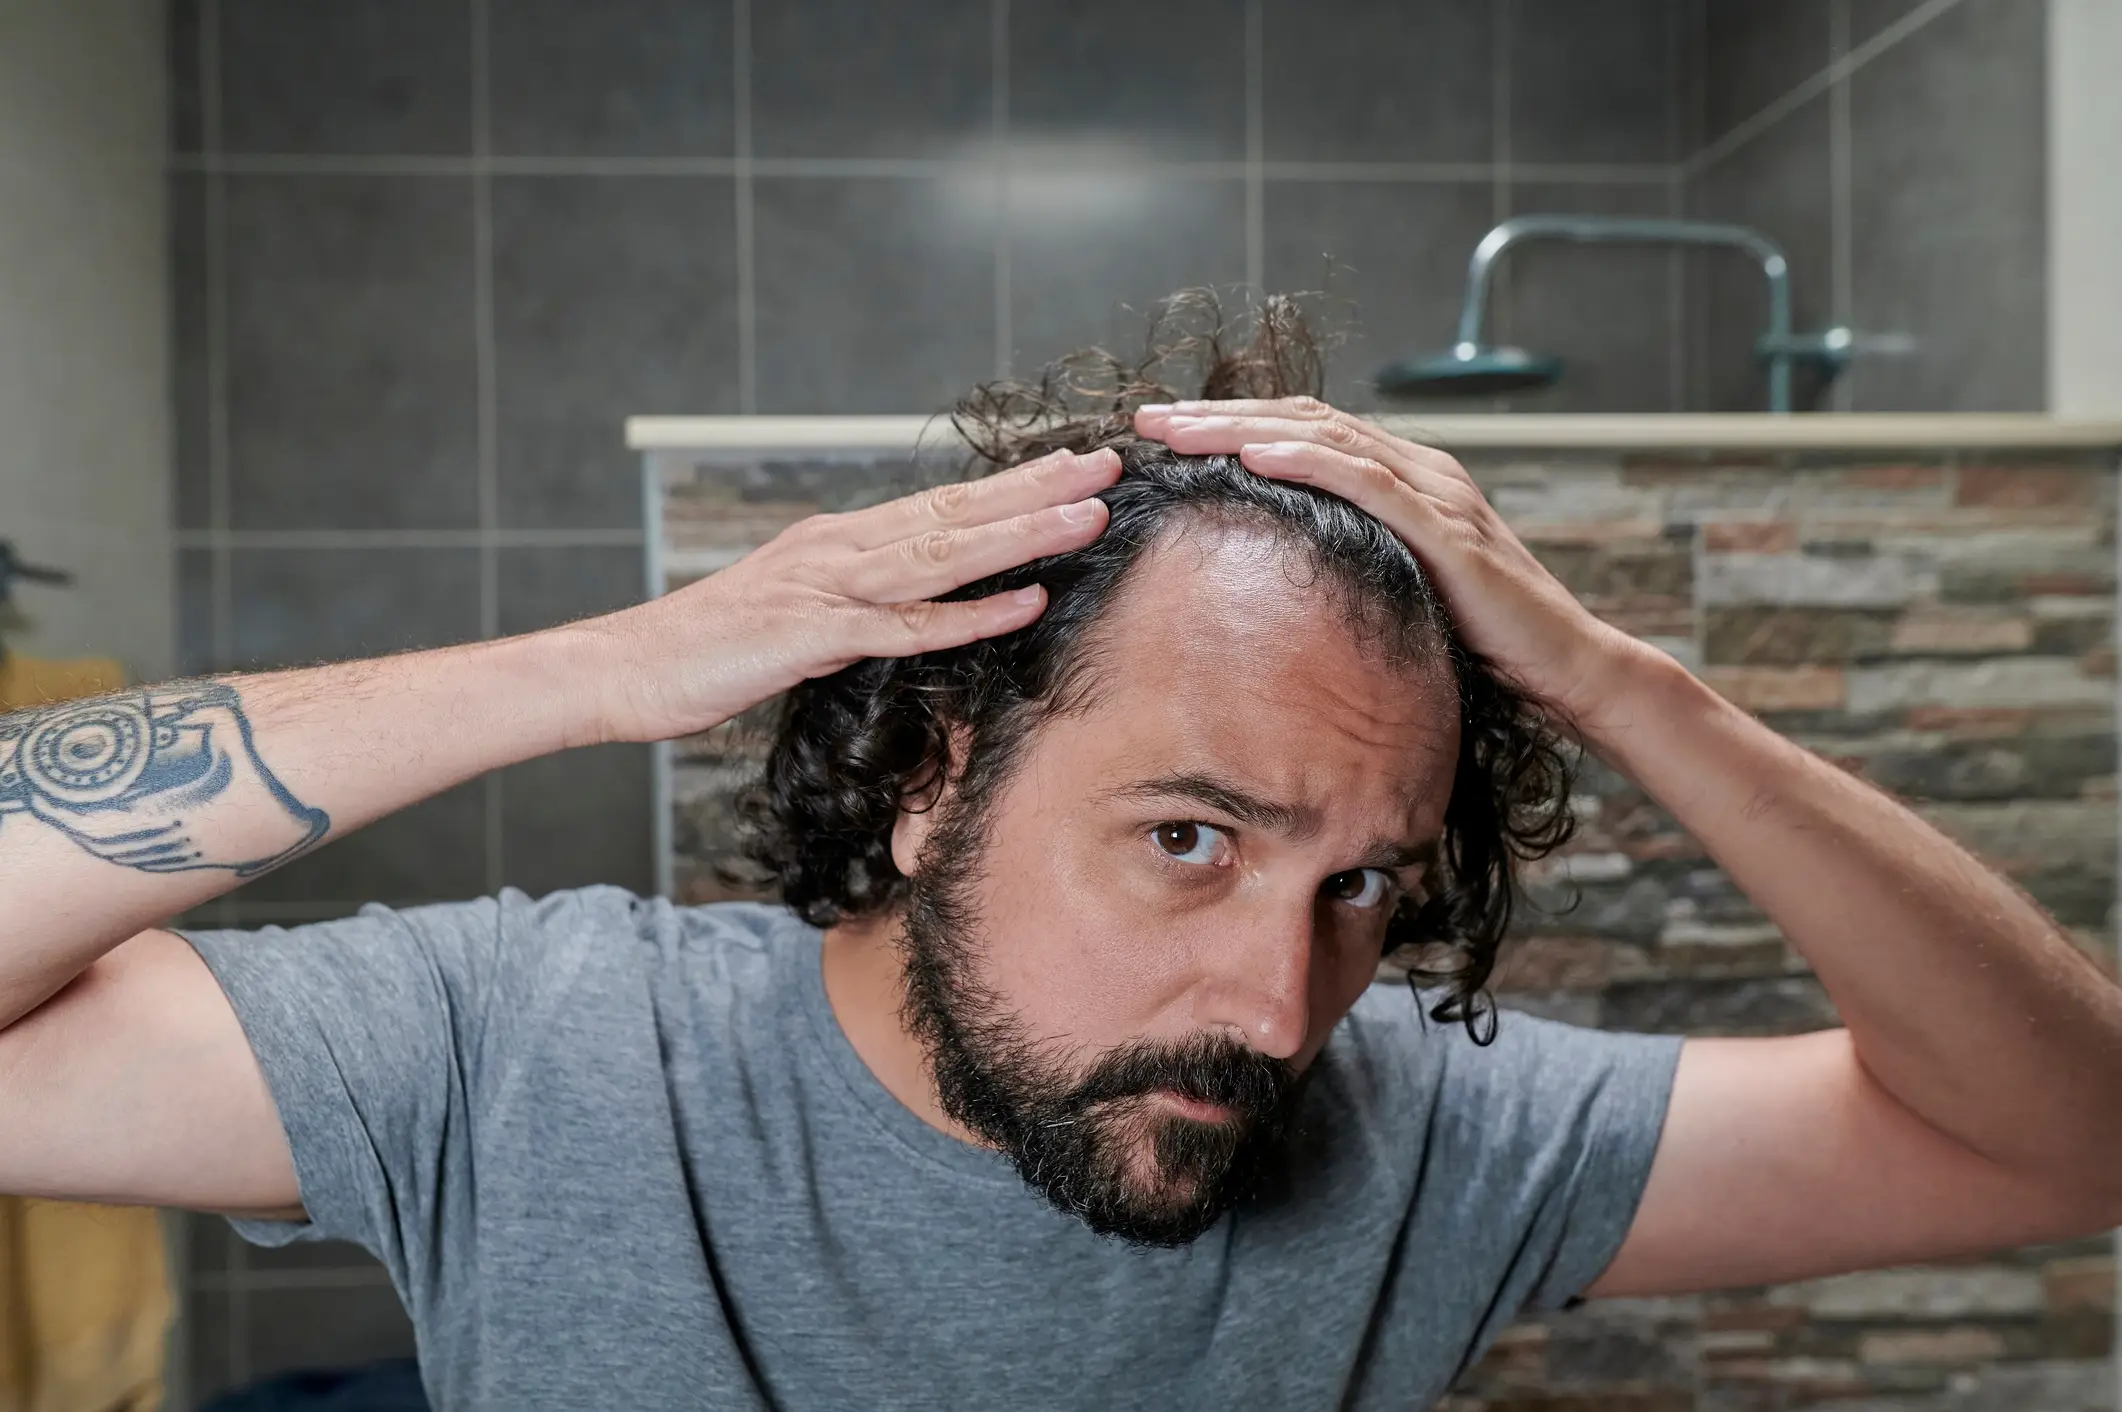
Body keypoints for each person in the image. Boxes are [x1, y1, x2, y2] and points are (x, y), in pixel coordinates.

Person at [1, 296, 2117, 1411]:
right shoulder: (528, 1050)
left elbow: (2060, 1140)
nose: (1272, 1005)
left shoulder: (1430, 1139)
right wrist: (602, 667)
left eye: (1359, 884)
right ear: (934, 780)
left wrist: (1634, 691)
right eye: (1188, 837)